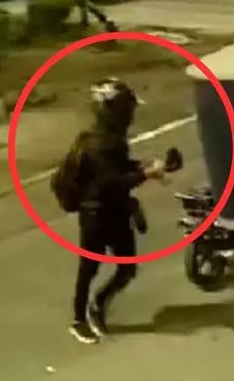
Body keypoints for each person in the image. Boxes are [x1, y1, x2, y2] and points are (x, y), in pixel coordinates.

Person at [68, 78, 166, 344]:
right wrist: (146, 173)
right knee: (88, 268)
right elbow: (113, 180)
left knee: (127, 267)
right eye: (127, 109)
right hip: (96, 214)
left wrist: (144, 168)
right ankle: (79, 320)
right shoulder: (100, 143)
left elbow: (120, 168)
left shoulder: (111, 140)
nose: (131, 114)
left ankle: (97, 305)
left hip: (116, 210)